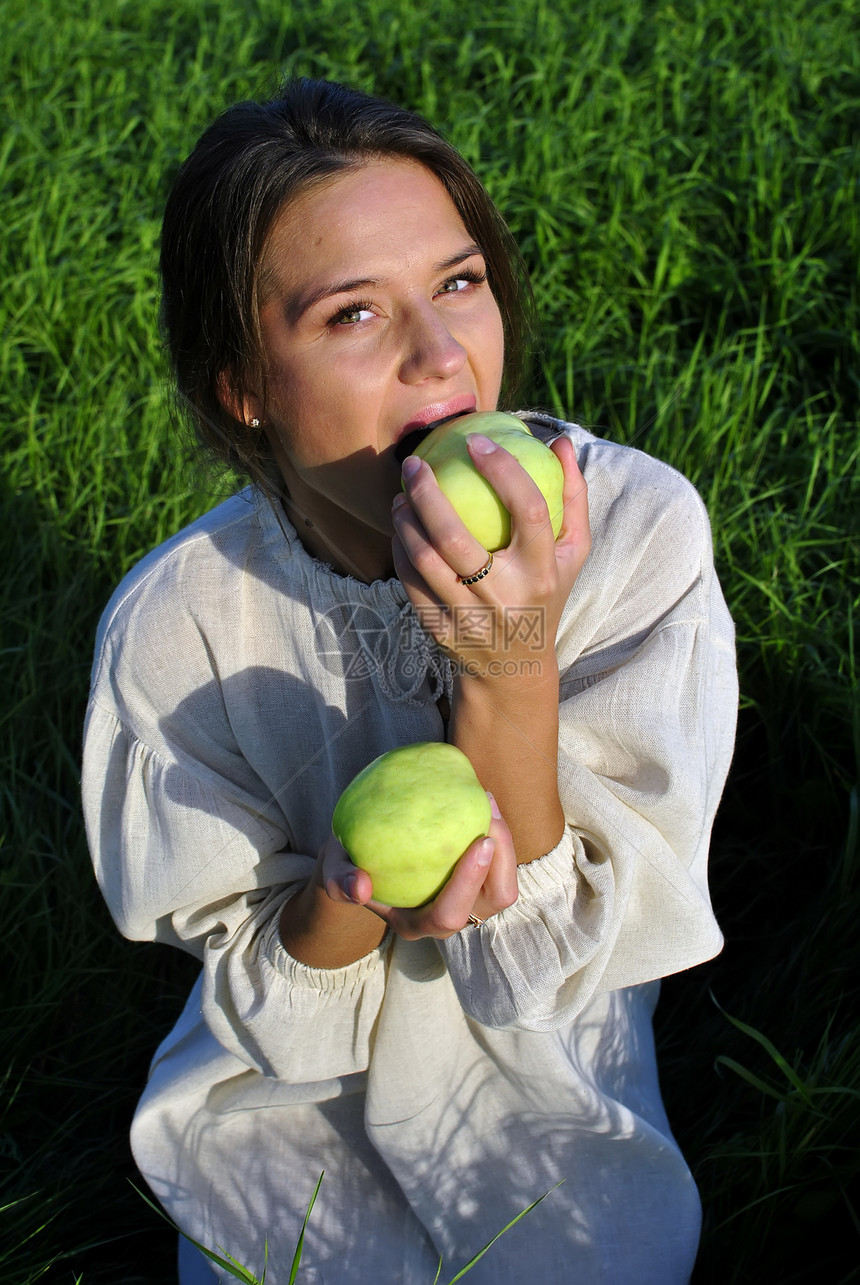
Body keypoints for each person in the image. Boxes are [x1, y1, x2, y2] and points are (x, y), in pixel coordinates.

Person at [82, 76, 737, 1284]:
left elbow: (545, 965)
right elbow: (268, 997)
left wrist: (508, 667)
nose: (442, 358)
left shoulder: (634, 529)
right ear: (241, 385)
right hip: (290, 1092)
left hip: (545, 1073)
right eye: (350, 316)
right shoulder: (178, 629)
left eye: (457, 282)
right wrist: (351, 894)